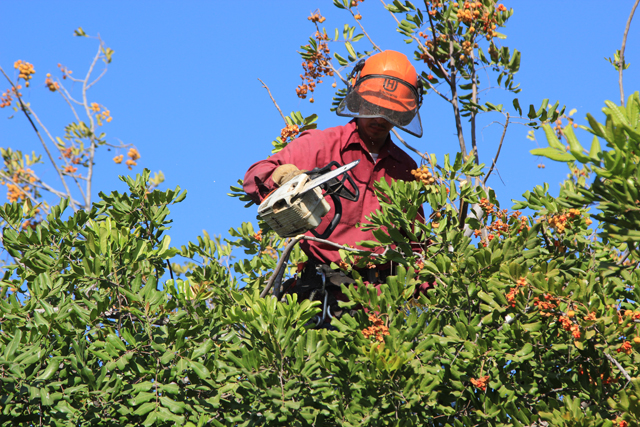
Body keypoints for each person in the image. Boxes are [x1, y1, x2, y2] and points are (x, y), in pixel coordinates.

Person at [244, 50, 427, 314]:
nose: (379, 118)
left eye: (389, 111)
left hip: (380, 310)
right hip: (321, 302)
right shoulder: (321, 145)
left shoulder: (407, 170)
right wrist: (284, 177)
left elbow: (416, 250)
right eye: (374, 106)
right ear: (359, 98)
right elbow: (255, 175)